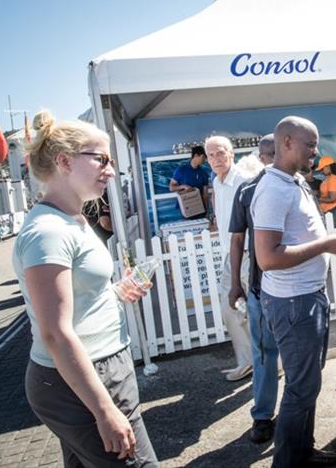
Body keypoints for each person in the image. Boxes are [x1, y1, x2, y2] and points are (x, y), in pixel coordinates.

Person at [13, 110, 158, 467]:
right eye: (102, 159)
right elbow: (55, 333)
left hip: (94, 369)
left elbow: (76, 302)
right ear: (64, 161)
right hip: (84, 378)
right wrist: (105, 410)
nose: (111, 169)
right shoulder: (49, 232)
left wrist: (115, 292)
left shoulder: (72, 219)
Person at [251, 117, 336, 467]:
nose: (316, 151)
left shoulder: (294, 182)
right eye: (311, 144)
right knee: (301, 388)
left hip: (306, 298)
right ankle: (289, 461)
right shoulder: (274, 189)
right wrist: (326, 244)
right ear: (287, 142)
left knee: (307, 384)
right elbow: (268, 258)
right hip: (294, 303)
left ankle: (302, 451)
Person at [228, 134, 282, 443]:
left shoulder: (301, 186)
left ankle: (297, 421)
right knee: (263, 353)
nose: (276, 158)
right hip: (261, 290)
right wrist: (236, 283)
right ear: (260, 157)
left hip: (298, 292)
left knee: (302, 359)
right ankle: (262, 416)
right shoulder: (247, 190)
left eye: (280, 152)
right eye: (270, 153)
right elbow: (237, 239)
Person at [206, 135, 252, 382]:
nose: (215, 159)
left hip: (249, 254)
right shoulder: (216, 181)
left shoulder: (244, 181)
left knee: (256, 311)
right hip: (229, 256)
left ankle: (272, 363)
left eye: (220, 153)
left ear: (231, 153)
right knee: (230, 309)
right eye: (211, 155)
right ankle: (247, 362)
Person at [169, 145, 210, 219]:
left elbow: (205, 195)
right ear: (196, 155)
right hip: (185, 208)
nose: (205, 160)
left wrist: (207, 212)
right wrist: (183, 186)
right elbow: (171, 188)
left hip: (199, 209)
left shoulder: (204, 173)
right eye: (203, 157)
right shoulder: (181, 170)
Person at [316, 156, 336, 224]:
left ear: (328, 167)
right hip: (330, 211)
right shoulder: (329, 179)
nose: (321, 171)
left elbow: (332, 198)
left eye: (322, 168)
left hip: (335, 210)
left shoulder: (333, 179)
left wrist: (317, 199)